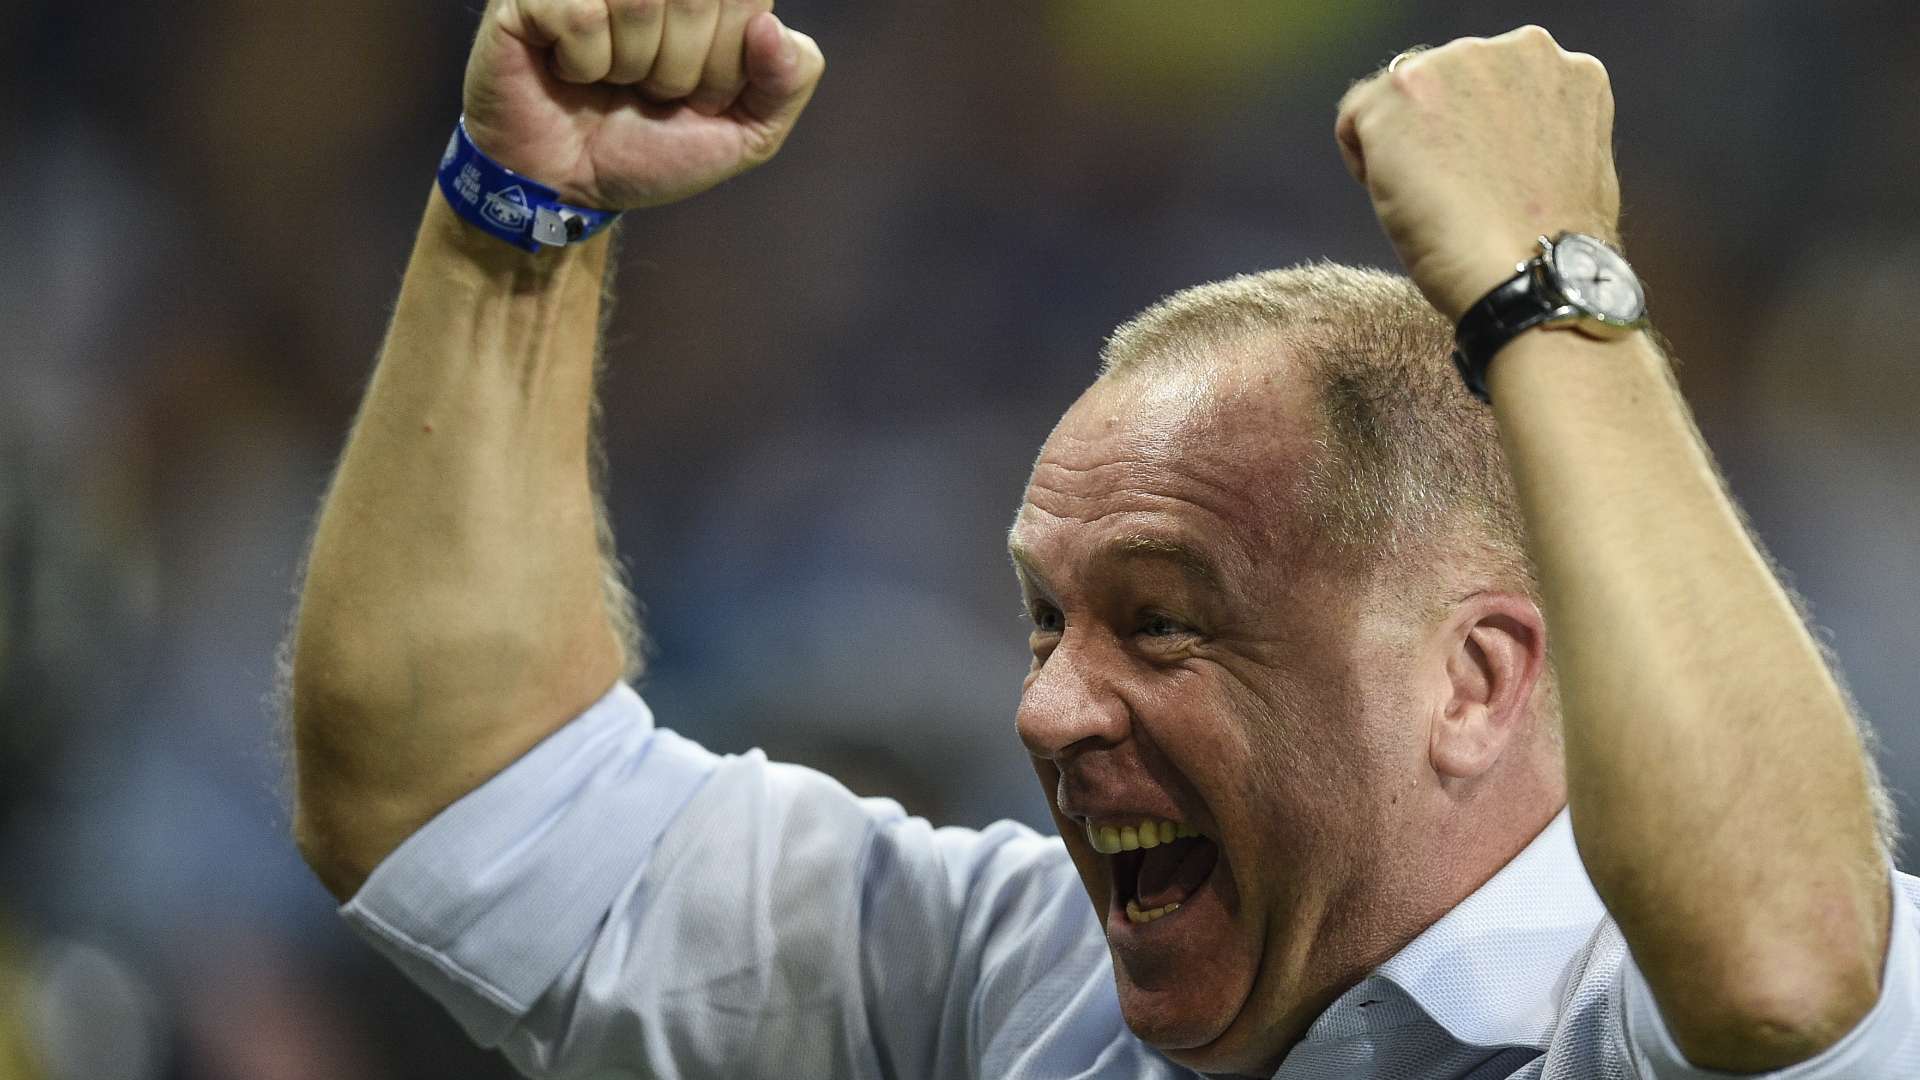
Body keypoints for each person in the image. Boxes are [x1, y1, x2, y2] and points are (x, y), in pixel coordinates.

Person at [286, 3, 1919, 1077]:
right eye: (1045, 622)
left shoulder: (1632, 1027)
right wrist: (521, 202)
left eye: (1164, 624)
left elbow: (1783, 969)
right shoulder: (1004, 988)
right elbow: (453, 794)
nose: (1047, 709)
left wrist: (1549, 282)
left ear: (1475, 682)